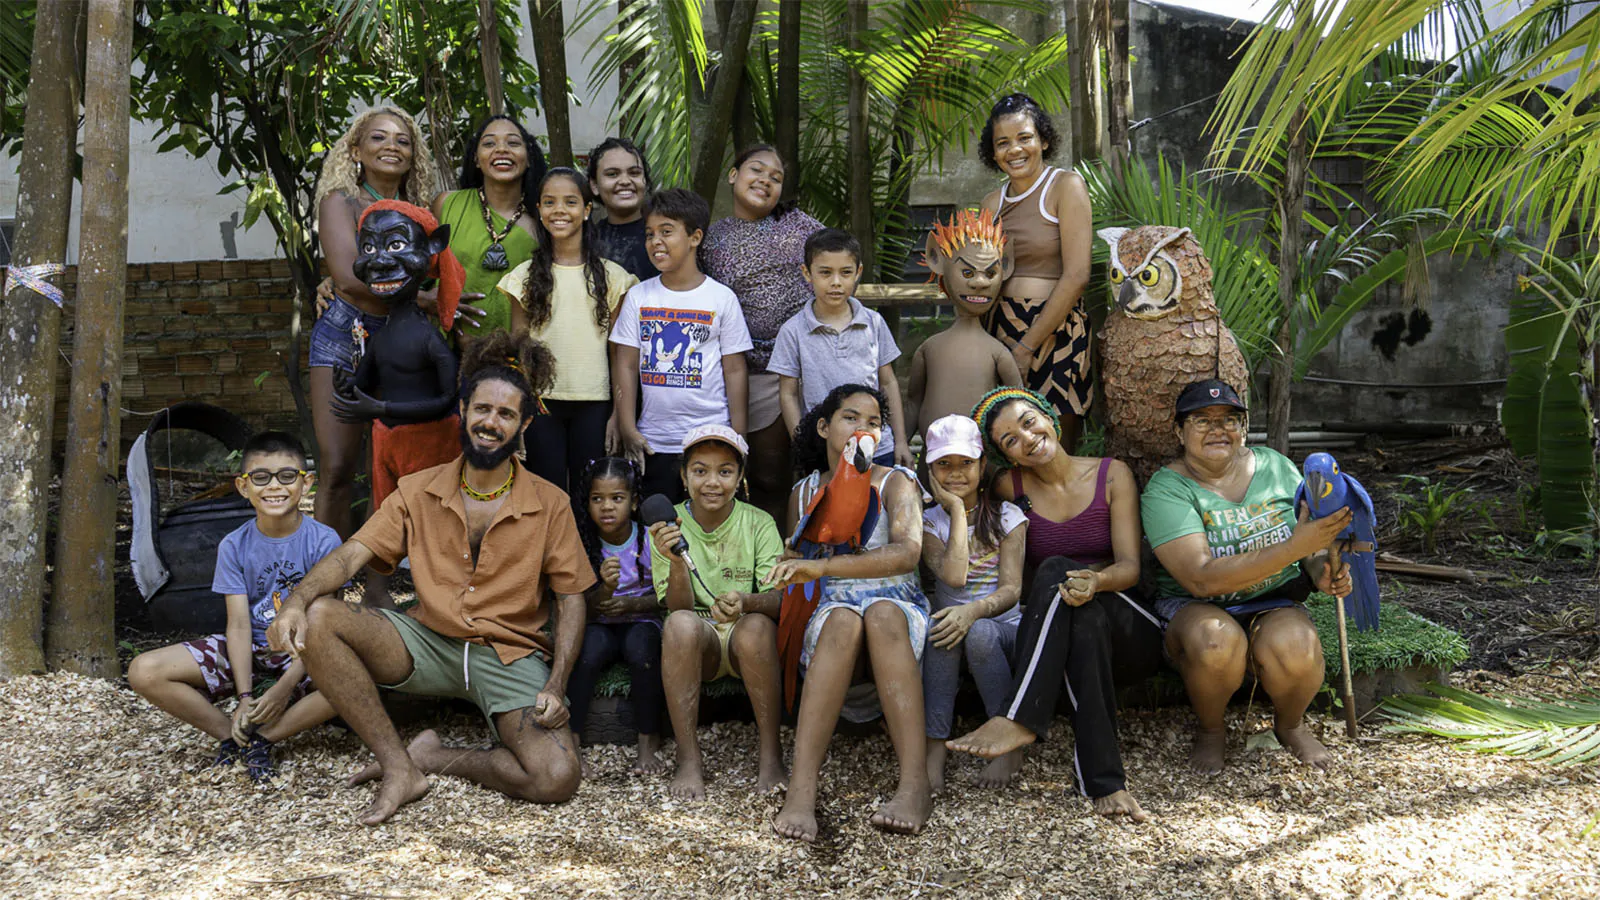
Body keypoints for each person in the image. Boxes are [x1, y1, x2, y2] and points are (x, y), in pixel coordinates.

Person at [267, 332, 593, 827]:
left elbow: (571, 599)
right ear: (462, 410)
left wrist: (556, 681)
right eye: (482, 409)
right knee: (320, 616)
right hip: (427, 640)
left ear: (524, 424)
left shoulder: (551, 503)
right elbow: (351, 555)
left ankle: (432, 757)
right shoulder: (417, 490)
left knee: (556, 778)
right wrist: (295, 601)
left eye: (506, 414)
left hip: (508, 653)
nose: (491, 423)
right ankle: (399, 767)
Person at [946, 386, 1163, 822]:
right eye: (1011, 440)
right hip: (1073, 630)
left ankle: (1020, 716)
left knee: (1059, 571)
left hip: (1129, 623)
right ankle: (1106, 784)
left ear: (1049, 417)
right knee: (1081, 617)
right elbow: (961, 486)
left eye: (1029, 422)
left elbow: (1129, 568)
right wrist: (950, 499)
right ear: (1007, 456)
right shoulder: (1009, 488)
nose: (1027, 438)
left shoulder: (1112, 474)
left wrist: (1095, 581)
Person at [1141, 379, 1352, 775]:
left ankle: (1290, 724)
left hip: (1273, 598)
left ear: (1244, 426)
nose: (1218, 429)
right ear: (1179, 432)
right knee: (1216, 641)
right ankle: (1211, 729)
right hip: (1197, 605)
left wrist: (1321, 568)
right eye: (1202, 420)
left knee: (1298, 647)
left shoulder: (1275, 465)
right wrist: (1293, 549)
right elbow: (1200, 579)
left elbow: (1308, 545)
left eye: (1230, 419)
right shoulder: (1167, 488)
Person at [128, 431, 340, 782]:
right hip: (249, 648)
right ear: (243, 486)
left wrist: (285, 687)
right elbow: (239, 624)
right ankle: (231, 735)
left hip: (304, 652)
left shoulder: (323, 540)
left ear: (307, 483)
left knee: (356, 677)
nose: (275, 486)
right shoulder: (234, 545)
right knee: (143, 670)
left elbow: (325, 627)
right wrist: (244, 696)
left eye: (287, 476)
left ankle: (265, 739)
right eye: (261, 477)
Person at [771, 385, 931, 841]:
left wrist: (823, 565)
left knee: (881, 614)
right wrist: (791, 566)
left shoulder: (896, 481)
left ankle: (914, 784)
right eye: (850, 418)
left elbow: (907, 553)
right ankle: (801, 790)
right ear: (824, 428)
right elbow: (799, 565)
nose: (863, 429)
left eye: (874, 423)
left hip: (896, 602)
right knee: (842, 620)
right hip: (831, 608)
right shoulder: (805, 492)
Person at [311, 106, 443, 539]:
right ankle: (326, 574)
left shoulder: (421, 213)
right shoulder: (341, 202)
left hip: (404, 343)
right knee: (337, 468)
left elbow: (438, 270)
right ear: (356, 150)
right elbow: (348, 279)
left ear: (413, 155)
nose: (392, 146)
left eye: (403, 141)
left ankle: (375, 573)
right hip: (345, 336)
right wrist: (425, 300)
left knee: (389, 469)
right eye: (379, 138)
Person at [650, 425, 787, 799]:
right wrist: (674, 560)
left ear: (740, 478)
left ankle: (771, 754)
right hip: (700, 640)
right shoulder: (666, 525)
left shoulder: (758, 522)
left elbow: (779, 600)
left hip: (746, 640)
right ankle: (688, 758)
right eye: (700, 471)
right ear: (684, 476)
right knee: (679, 624)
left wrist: (746, 601)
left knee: (757, 626)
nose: (712, 482)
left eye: (725, 471)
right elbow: (677, 606)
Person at [699, 144, 825, 519]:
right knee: (742, 474)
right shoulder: (711, 239)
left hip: (791, 368)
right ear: (733, 175)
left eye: (776, 177)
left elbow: (838, 267)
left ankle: (782, 549)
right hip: (737, 373)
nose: (765, 180)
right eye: (756, 170)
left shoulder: (800, 227)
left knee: (775, 475)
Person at [501, 167, 639, 493]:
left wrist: (619, 414)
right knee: (545, 493)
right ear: (539, 209)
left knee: (588, 494)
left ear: (587, 210)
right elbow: (519, 353)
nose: (559, 210)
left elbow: (619, 355)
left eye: (571, 202)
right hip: (540, 405)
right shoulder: (522, 277)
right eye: (549, 202)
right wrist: (517, 412)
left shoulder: (614, 278)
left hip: (595, 405)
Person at [609, 189, 752, 502]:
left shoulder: (721, 298)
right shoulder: (639, 297)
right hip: (654, 442)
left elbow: (735, 369)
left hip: (711, 438)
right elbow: (625, 364)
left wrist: (738, 435)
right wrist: (628, 427)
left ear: (695, 237)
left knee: (710, 523)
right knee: (659, 523)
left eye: (666, 232)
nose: (655, 242)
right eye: (650, 234)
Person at [978, 93, 1094, 452]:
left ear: (1043, 140)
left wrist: (1027, 346)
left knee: (1055, 442)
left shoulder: (1065, 186)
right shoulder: (991, 203)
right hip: (1000, 332)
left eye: (1024, 138)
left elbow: (1077, 274)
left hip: (1056, 330)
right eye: (1002, 143)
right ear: (993, 152)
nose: (1014, 150)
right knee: (1007, 440)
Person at [918, 415, 1027, 793]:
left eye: (966, 462)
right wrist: (954, 509)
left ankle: (1007, 737)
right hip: (951, 627)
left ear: (982, 466)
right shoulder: (928, 522)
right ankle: (935, 744)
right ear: (930, 471)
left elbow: (1012, 590)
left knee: (978, 631)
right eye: (943, 464)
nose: (955, 473)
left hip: (1003, 629)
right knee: (941, 627)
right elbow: (953, 577)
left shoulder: (1008, 516)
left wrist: (974, 612)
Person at [769, 228, 912, 468]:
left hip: (877, 447)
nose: (836, 282)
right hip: (825, 450)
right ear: (807, 273)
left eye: (845, 272)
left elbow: (888, 383)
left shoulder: (874, 323)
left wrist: (900, 442)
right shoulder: (793, 331)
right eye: (825, 272)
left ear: (858, 273)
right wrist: (802, 445)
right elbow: (788, 394)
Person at [564, 456, 665, 774]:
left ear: (634, 502)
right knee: (587, 652)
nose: (607, 507)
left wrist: (633, 605)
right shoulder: (583, 542)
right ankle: (572, 740)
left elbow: (666, 598)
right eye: (597, 499)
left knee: (642, 651)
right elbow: (581, 606)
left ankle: (648, 739)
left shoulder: (649, 539)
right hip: (600, 622)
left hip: (641, 620)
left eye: (617, 498)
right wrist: (605, 590)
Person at [906, 210, 1024, 449]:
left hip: (983, 459)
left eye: (990, 273)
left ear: (1005, 266)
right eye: (968, 272)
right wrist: (898, 446)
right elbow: (913, 403)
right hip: (933, 459)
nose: (980, 283)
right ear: (936, 259)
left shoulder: (997, 353)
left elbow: (1018, 405)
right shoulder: (929, 349)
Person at [432, 115, 546, 342]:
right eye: (489, 143)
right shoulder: (446, 204)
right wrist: (430, 299)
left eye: (513, 143)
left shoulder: (543, 220)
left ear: (528, 158)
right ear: (476, 159)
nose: (501, 149)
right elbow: (419, 270)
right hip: (447, 349)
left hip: (518, 351)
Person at [586, 136, 655, 281]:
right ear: (594, 185)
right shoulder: (588, 242)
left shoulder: (667, 235)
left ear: (646, 182)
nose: (625, 181)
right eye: (612, 174)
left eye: (634, 173)